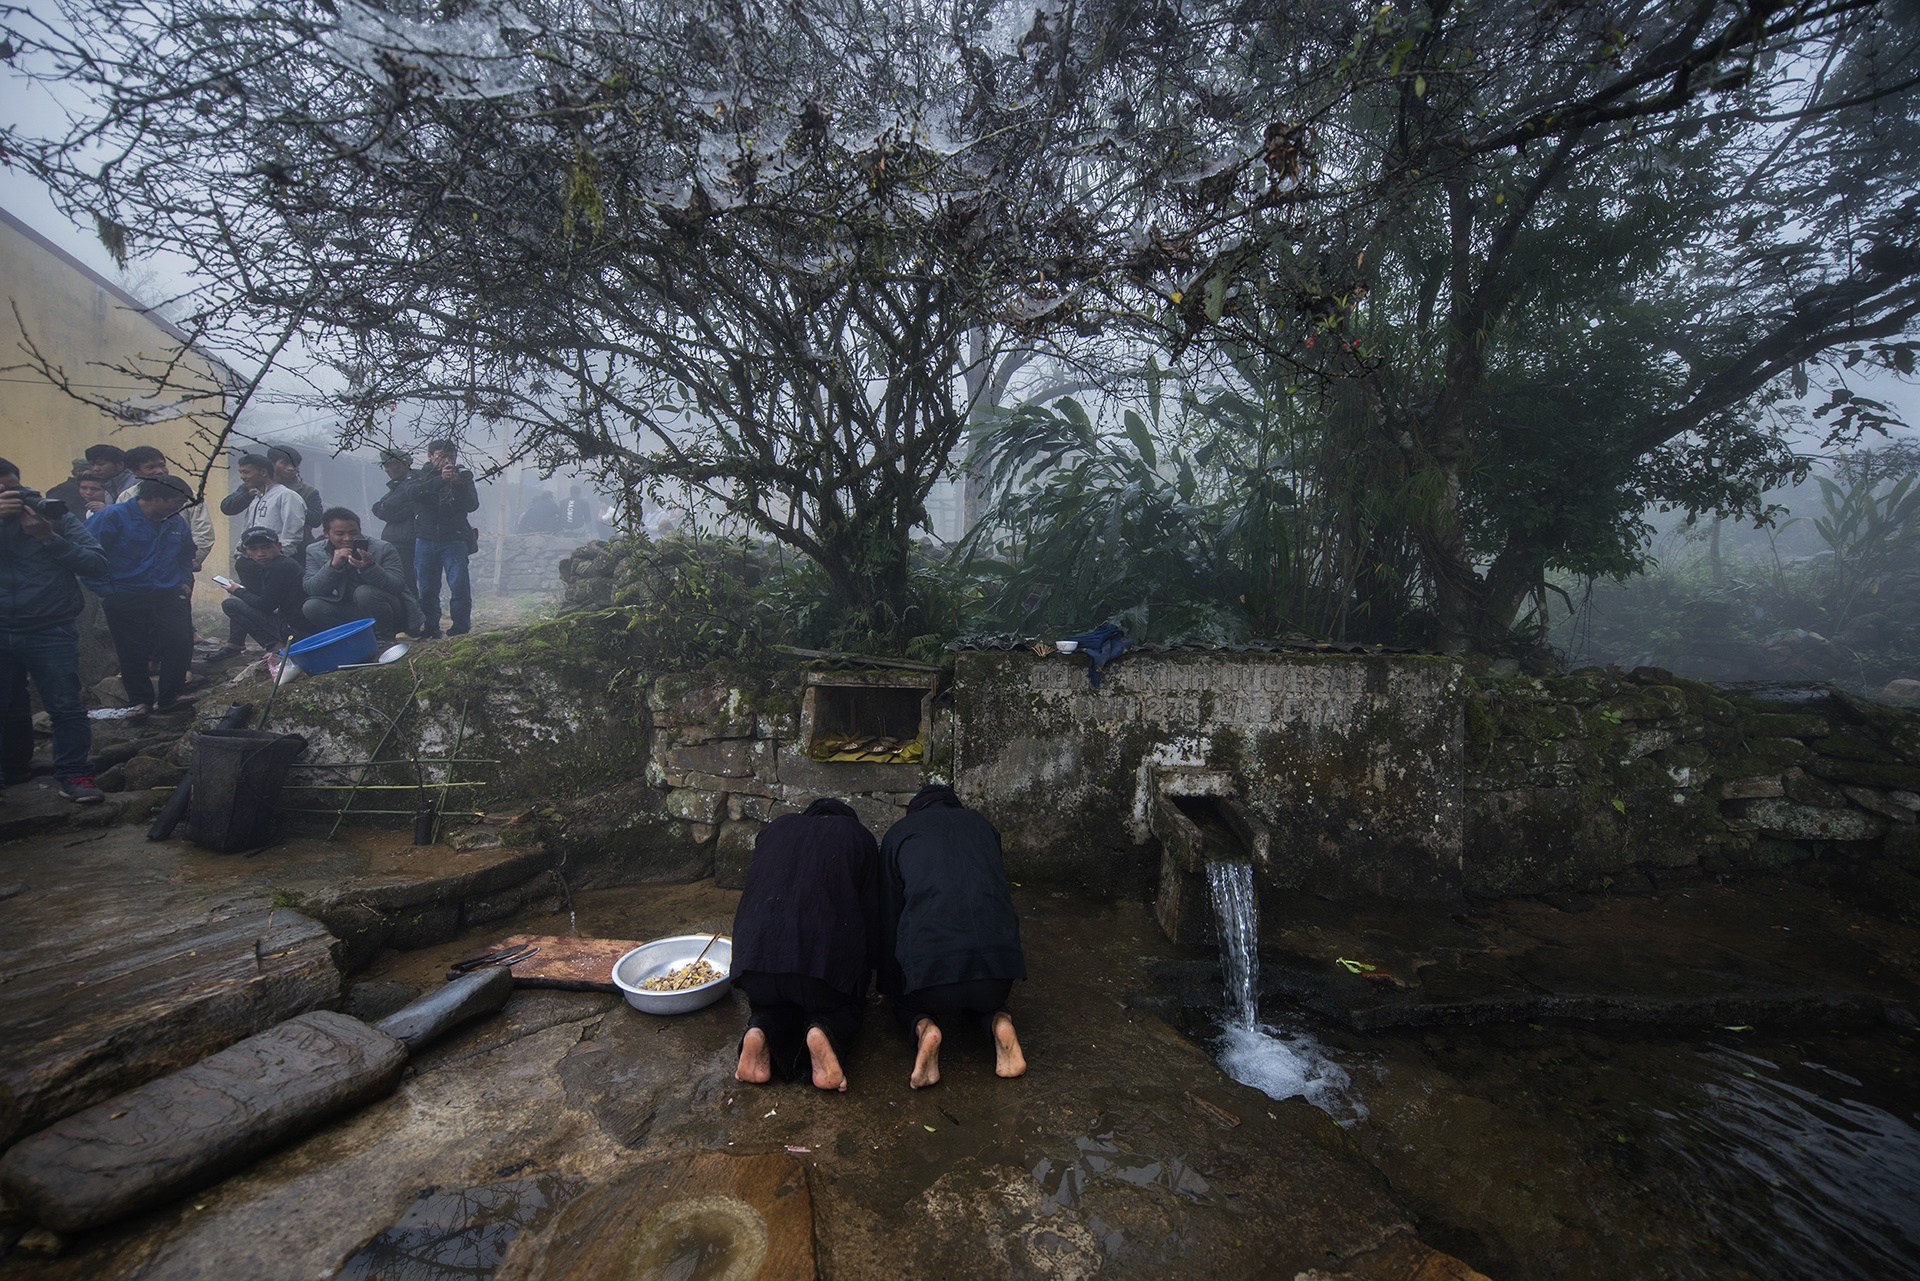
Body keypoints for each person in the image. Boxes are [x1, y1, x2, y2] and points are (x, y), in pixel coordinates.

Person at [879, 783, 1028, 1088]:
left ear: (915, 810)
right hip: (997, 979)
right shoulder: (984, 827)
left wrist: (890, 985)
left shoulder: (899, 833)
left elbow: (890, 916)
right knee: (982, 1000)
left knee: (906, 1004)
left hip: (932, 986)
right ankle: (999, 1022)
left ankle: (925, 1028)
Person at [730, 797, 881, 1091]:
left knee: (774, 1002)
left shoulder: (774, 829)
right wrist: (873, 975)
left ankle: (760, 1028)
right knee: (843, 1004)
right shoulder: (857, 837)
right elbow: (872, 919)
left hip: (755, 969)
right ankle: (825, 1030)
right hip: (818, 978)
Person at [0, 459, 107, 801]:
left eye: (13, 488)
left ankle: (76, 776)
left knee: (66, 706)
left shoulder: (53, 515)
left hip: (50, 627)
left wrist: (47, 537)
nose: (11, 497)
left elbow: (96, 563)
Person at [85, 474, 198, 717]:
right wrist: (104, 591)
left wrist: (184, 580)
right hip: (124, 594)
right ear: (156, 498)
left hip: (168, 593)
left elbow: (186, 554)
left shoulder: (175, 522)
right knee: (132, 649)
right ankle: (140, 701)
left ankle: (171, 696)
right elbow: (87, 555)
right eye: (177, 501)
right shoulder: (111, 517)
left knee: (179, 640)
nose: (181, 507)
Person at [210, 454, 310, 659]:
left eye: (247, 472)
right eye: (240, 472)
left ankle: (276, 643)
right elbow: (248, 527)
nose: (243, 477)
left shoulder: (286, 496)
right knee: (249, 603)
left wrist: (276, 558)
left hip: (272, 562)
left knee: (260, 604)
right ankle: (240, 642)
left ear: (263, 472)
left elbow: (292, 531)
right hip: (252, 561)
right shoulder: (255, 497)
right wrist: (243, 553)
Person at [302, 507, 423, 639]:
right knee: (311, 606)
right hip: (348, 608)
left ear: (360, 530)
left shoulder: (383, 548)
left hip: (388, 609)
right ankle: (348, 638)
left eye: (353, 533)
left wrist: (370, 567)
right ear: (326, 533)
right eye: (340, 534)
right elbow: (312, 589)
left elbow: (397, 586)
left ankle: (384, 638)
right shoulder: (314, 551)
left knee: (364, 593)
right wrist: (333, 567)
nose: (347, 538)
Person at [405, 439, 480, 638]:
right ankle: (430, 628)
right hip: (425, 539)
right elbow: (413, 493)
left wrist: (460, 485)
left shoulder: (462, 475)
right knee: (427, 588)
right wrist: (441, 479)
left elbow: (472, 505)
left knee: (459, 586)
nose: (448, 461)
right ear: (430, 456)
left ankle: (461, 628)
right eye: (442, 457)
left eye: (452, 457)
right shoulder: (418, 475)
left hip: (454, 539)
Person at [118, 446, 216, 573]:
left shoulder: (188, 495)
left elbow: (203, 534)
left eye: (162, 465)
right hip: (135, 574)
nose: (159, 471)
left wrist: (185, 566)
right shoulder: (126, 497)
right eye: (150, 467)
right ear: (135, 471)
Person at [217, 526, 309, 650]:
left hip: (296, 630)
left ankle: (274, 645)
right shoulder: (279, 563)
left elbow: (266, 605)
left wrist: (237, 591)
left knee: (230, 604)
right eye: (253, 549)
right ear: (245, 552)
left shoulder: (278, 566)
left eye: (266, 547)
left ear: (279, 546)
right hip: (293, 623)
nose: (261, 554)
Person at [369, 449, 418, 594]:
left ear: (404, 464)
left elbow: (389, 506)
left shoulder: (414, 482)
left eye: (391, 465)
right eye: (385, 466)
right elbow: (378, 508)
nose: (387, 470)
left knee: (409, 583)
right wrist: (384, 507)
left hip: (408, 541)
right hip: (397, 541)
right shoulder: (396, 486)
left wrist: (385, 507)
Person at [267, 445, 325, 542]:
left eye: (294, 464)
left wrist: (296, 506)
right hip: (262, 547)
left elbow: (316, 520)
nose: (291, 468)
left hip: (299, 547)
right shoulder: (258, 487)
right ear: (271, 464)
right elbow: (232, 506)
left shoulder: (308, 491)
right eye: (285, 463)